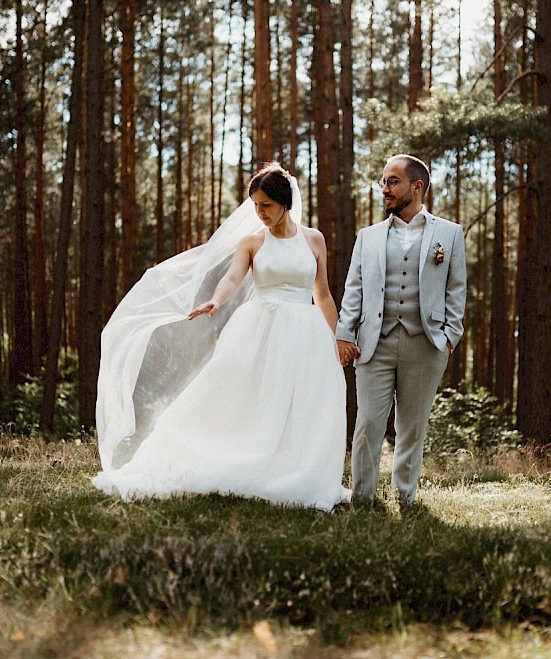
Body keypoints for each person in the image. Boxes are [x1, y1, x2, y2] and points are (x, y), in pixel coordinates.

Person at [93, 164, 350, 511]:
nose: (260, 213)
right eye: (256, 205)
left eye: (267, 206)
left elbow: (323, 293)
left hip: (305, 333)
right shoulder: (252, 242)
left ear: (285, 202)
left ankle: (296, 469)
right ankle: (238, 457)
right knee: (247, 398)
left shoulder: (314, 239)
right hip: (261, 330)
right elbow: (232, 278)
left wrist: (333, 338)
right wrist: (216, 299)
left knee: (304, 403)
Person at [335, 154, 467, 504]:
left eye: (392, 181)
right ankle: (363, 497)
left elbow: (457, 288)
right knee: (368, 425)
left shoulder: (449, 234)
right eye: (383, 181)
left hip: (426, 344)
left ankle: (405, 496)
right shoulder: (369, 237)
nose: (384, 189)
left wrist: (450, 335)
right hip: (373, 344)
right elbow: (355, 288)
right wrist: (344, 333)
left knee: (412, 427)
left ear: (417, 186)